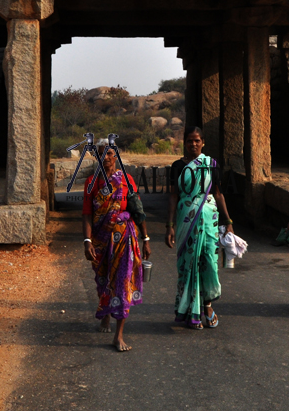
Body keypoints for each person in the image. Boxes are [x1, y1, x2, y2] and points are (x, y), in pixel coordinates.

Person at [82, 143, 150, 352]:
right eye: (101, 154)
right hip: (101, 241)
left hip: (124, 238)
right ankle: (106, 313)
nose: (106, 158)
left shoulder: (127, 181)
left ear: (116, 156)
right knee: (104, 280)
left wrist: (145, 238)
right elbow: (87, 214)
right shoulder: (92, 183)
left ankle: (118, 335)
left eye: (110, 154)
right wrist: (87, 241)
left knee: (122, 281)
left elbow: (137, 209)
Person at [165, 127, 233, 329]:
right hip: (186, 220)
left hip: (209, 220)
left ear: (203, 142)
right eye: (189, 141)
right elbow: (174, 196)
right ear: (184, 143)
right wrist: (170, 226)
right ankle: (190, 310)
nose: (193, 144)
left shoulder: (211, 164)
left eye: (197, 140)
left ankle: (207, 305)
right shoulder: (178, 166)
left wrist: (228, 222)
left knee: (209, 262)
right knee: (189, 264)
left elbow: (218, 194)